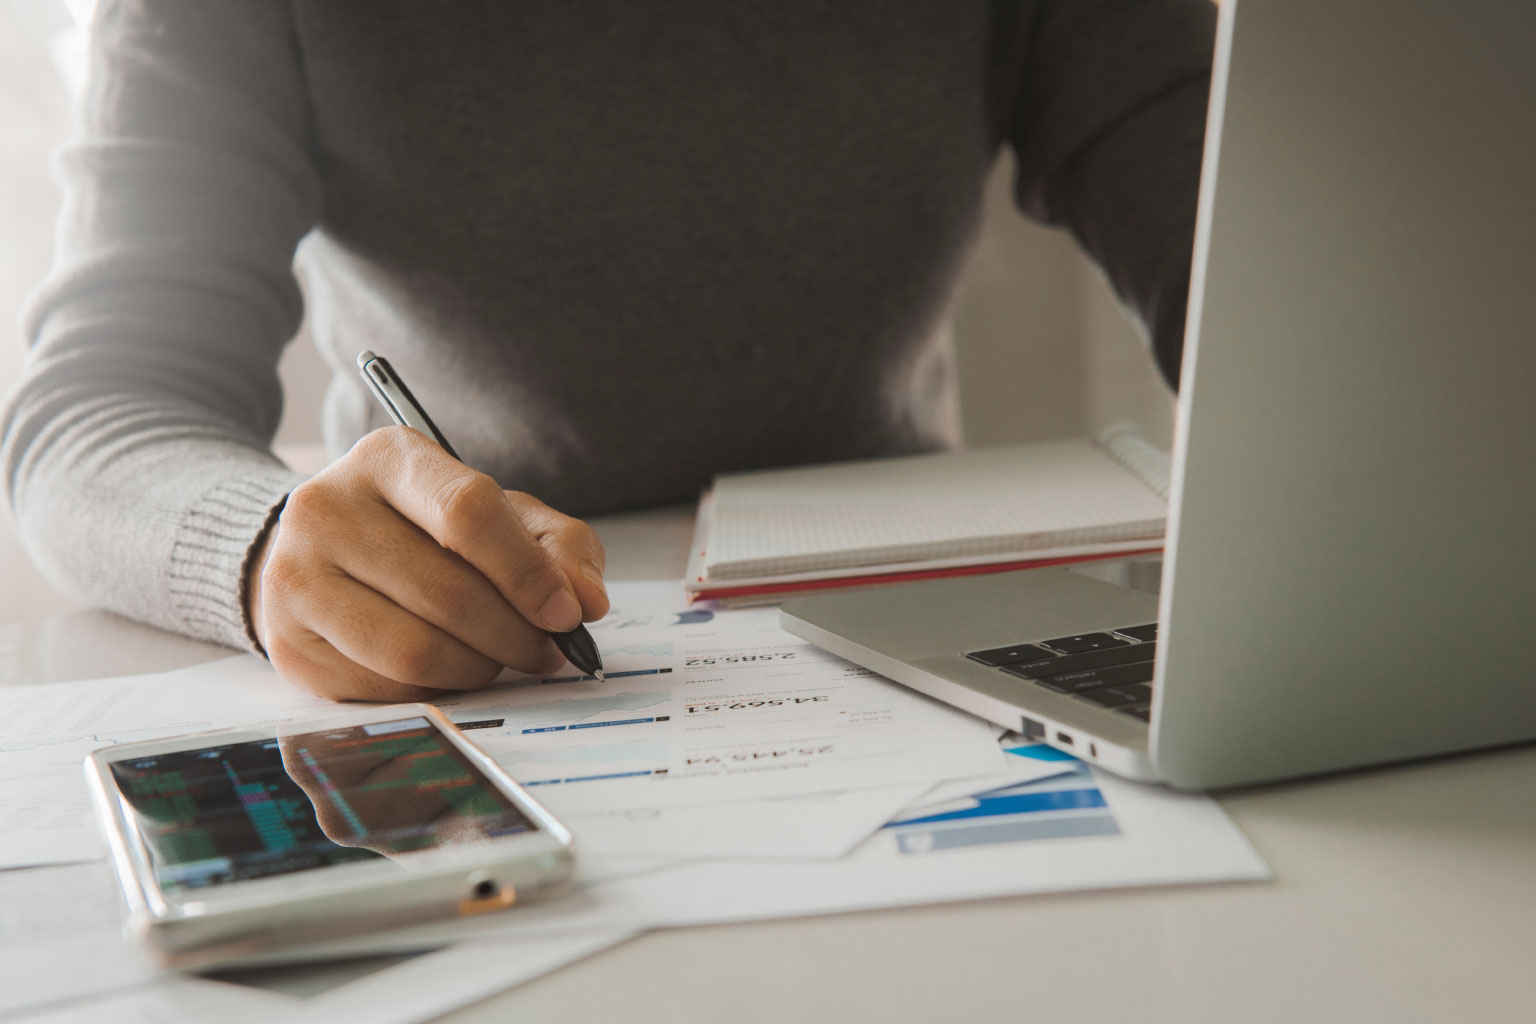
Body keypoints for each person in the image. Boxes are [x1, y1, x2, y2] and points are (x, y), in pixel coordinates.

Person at [1, 1, 1216, 702]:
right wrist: (266, 545)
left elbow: (1255, 256)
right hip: (477, 662)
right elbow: (95, 409)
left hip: (921, 623)